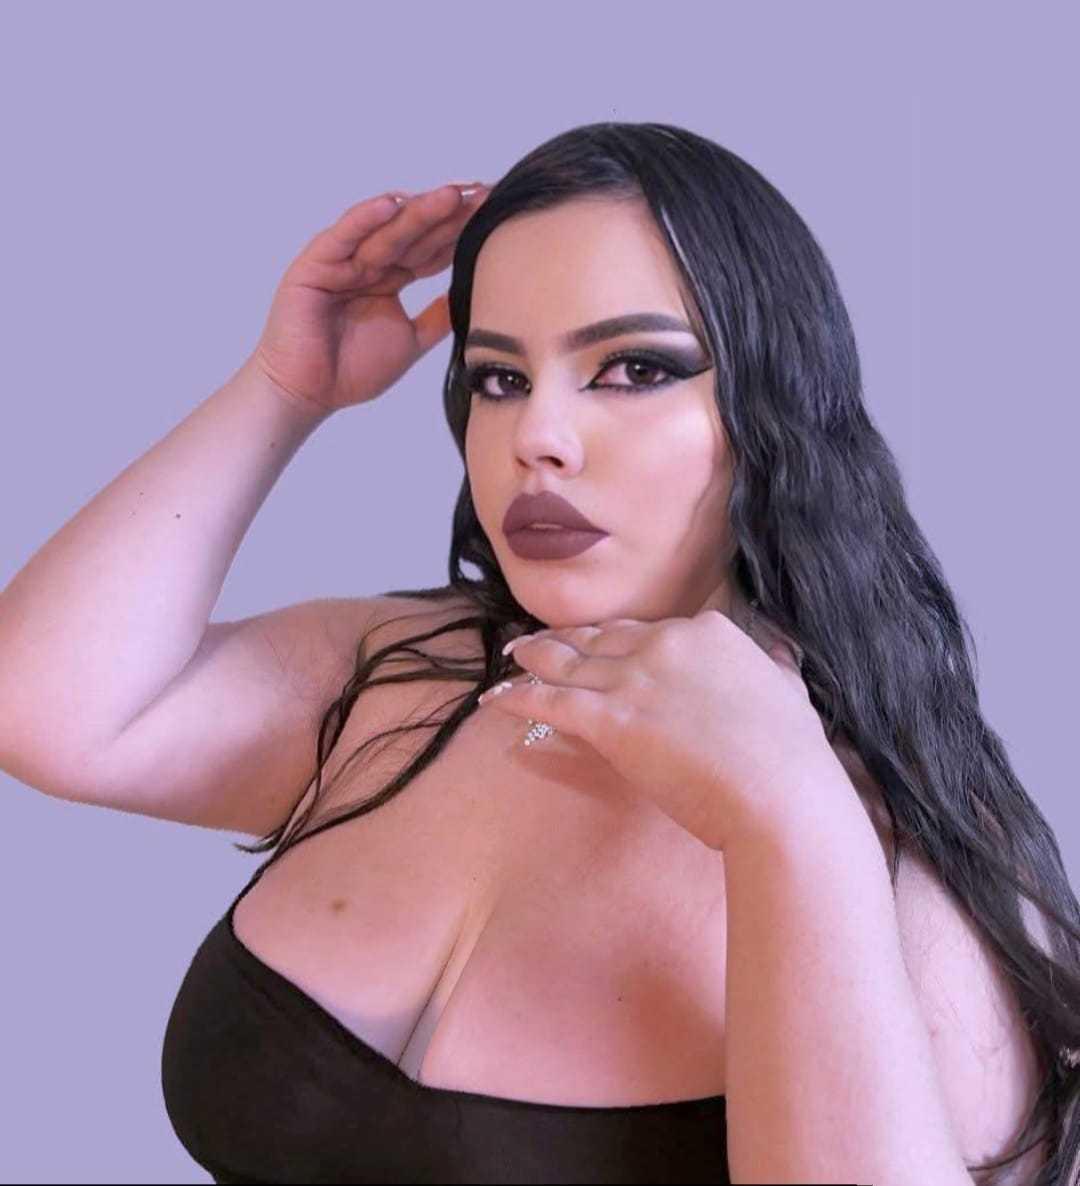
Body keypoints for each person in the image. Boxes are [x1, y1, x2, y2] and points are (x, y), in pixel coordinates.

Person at [1, 121, 1077, 1185]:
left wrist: (790, 825)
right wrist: (285, 389)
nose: (536, 439)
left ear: (774, 406)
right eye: (499, 378)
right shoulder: (402, 676)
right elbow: (44, 711)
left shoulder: (914, 870)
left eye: (633, 369)